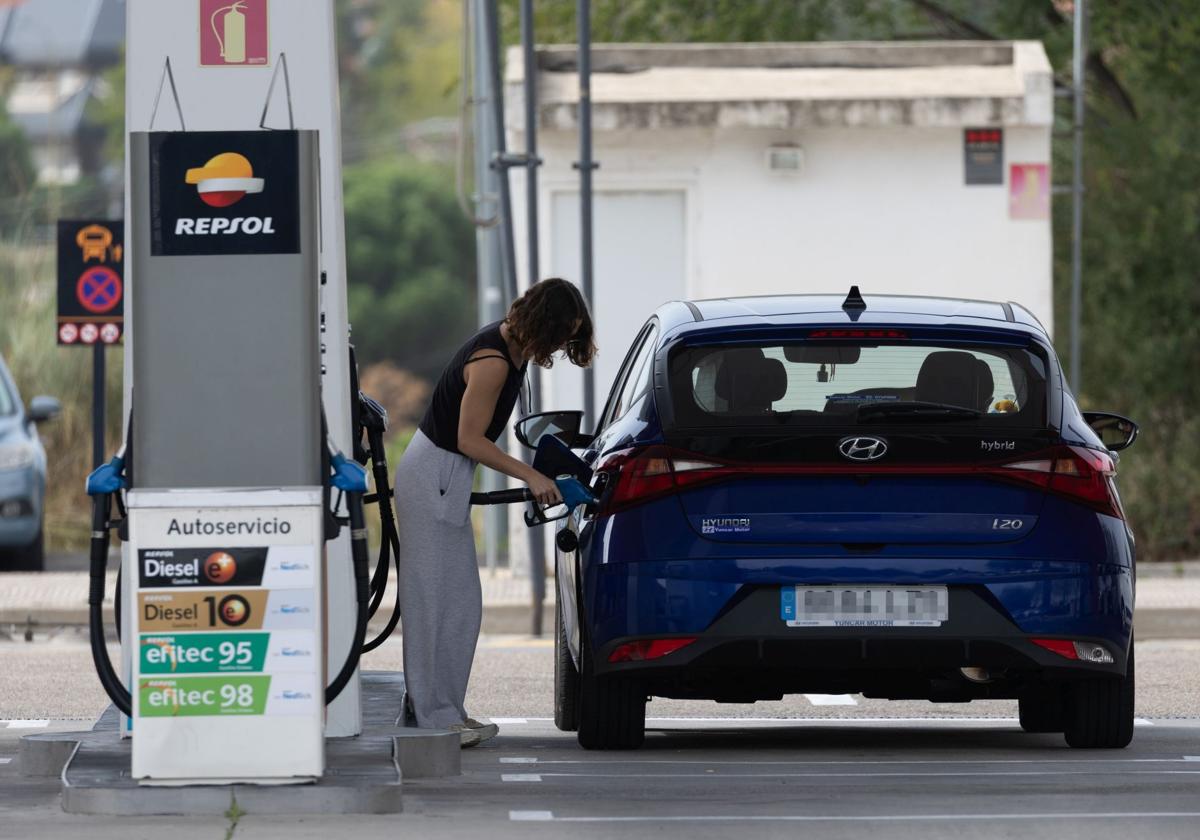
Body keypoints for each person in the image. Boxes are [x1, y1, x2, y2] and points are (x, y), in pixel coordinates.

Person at [394, 278, 595, 747]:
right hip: (434, 475)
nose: (565, 345)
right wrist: (531, 476)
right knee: (433, 603)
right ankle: (432, 718)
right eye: (564, 334)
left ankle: (444, 709)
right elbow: (468, 438)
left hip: (446, 475)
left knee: (459, 602)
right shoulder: (491, 362)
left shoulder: (511, 351)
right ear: (544, 325)